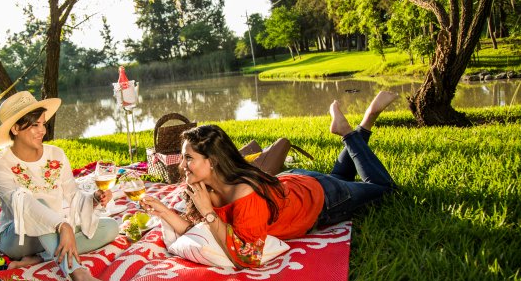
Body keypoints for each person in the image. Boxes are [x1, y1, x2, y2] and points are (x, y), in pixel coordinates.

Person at [141, 91, 399, 269]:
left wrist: (209, 213)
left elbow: (248, 258)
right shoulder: (201, 186)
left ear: (213, 162)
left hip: (319, 200)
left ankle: (354, 129)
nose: (182, 165)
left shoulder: (244, 193)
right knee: (338, 176)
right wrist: (163, 211)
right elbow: (194, 230)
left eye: (188, 158)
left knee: (383, 188)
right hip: (296, 183)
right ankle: (359, 128)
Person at [0, 91, 118, 281]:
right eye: (35, 125)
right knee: (35, 201)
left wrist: (93, 199)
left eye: (43, 123)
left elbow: (73, 195)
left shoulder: (56, 154)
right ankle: (80, 276)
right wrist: (62, 225)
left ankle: (41, 257)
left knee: (111, 227)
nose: (43, 131)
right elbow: (24, 207)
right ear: (15, 128)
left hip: (54, 232)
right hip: (17, 238)